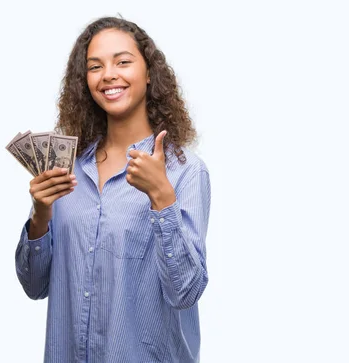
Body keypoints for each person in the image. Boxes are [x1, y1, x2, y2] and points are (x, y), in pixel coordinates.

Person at [14, 16, 211, 363]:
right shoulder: (67, 168)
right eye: (95, 66)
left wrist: (162, 199)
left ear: (149, 73)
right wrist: (40, 216)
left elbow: (186, 292)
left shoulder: (185, 172)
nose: (109, 74)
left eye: (123, 61)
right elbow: (35, 287)